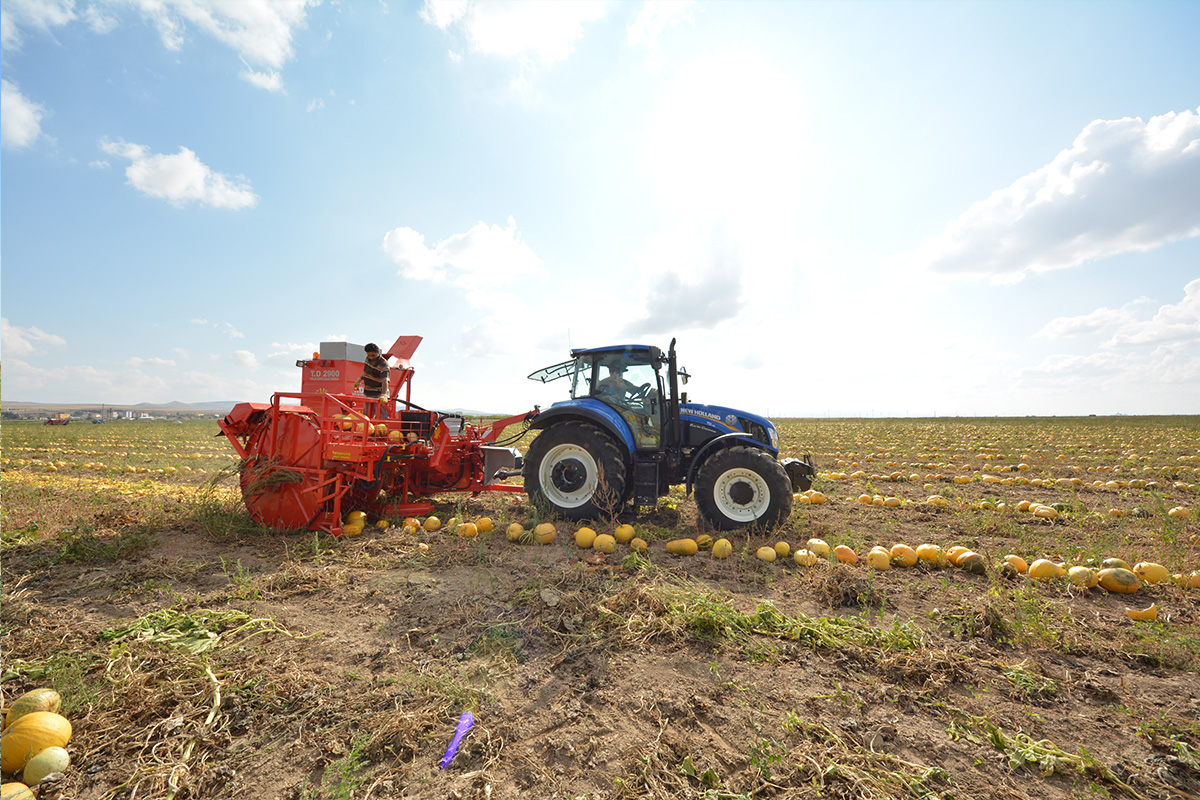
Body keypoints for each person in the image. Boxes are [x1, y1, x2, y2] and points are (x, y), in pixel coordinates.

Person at [353, 343, 390, 418]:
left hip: (379, 393)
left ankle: (382, 429)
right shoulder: (368, 359)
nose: (371, 357)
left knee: (382, 416)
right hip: (368, 392)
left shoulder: (383, 364)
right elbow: (366, 373)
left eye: (373, 355)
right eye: (369, 355)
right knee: (366, 415)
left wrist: (384, 394)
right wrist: (360, 379)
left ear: (378, 352)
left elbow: (385, 380)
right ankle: (366, 429)